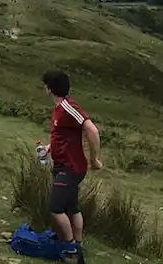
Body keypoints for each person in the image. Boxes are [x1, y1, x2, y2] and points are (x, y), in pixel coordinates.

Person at [42, 69, 103, 258]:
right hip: (63, 165)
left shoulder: (68, 108)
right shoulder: (59, 109)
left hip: (70, 168)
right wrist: (49, 147)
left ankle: (69, 248)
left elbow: (92, 130)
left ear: (49, 89)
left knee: (55, 208)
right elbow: (62, 135)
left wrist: (94, 159)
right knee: (72, 208)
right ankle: (77, 245)